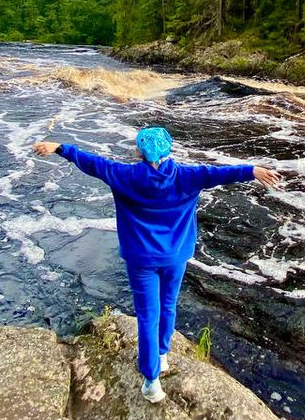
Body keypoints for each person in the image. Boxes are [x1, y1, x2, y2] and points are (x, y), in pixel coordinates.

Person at [32, 126, 281, 404]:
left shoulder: (124, 175)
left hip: (141, 259)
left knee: (147, 316)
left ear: (139, 151)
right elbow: (220, 173)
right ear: (168, 149)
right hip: (176, 256)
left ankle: (152, 382)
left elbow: (90, 162)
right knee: (169, 304)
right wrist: (253, 170)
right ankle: (162, 355)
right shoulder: (188, 176)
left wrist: (59, 148)